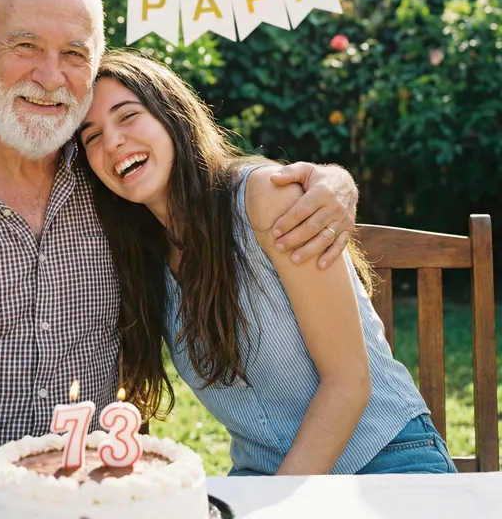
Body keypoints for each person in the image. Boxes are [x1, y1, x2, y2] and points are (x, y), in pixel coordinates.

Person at [0, 0, 360, 478]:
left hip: (90, 493)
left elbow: (213, 182)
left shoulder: (114, 178)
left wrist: (333, 180)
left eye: (75, 54)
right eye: (26, 45)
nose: (50, 76)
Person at [78, 49, 457, 476]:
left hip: (385, 461)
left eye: (127, 116)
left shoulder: (264, 199)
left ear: (173, 116)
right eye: (92, 136)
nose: (112, 141)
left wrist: (276, 504)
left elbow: (349, 382)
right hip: (262, 476)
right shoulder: (139, 260)